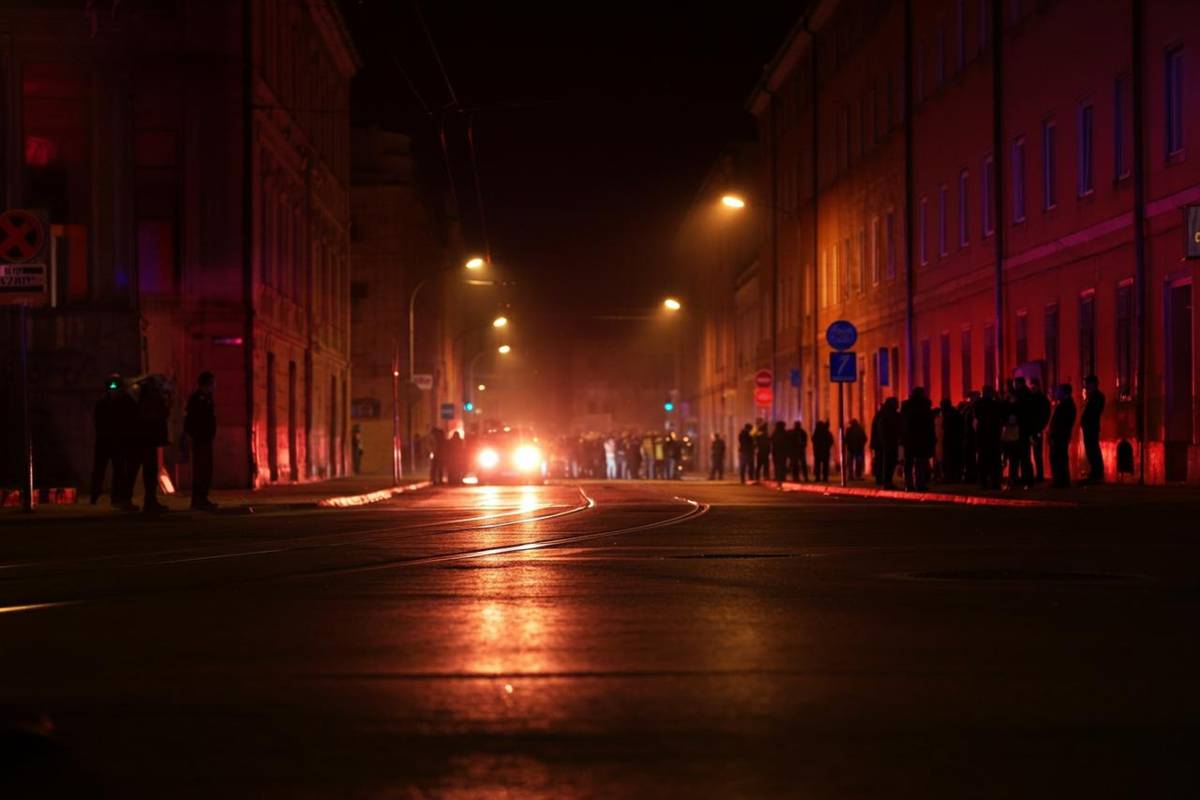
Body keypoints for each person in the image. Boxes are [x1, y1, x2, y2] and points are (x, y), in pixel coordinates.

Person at [90, 373, 138, 509]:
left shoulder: (122, 401)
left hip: (114, 442)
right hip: (108, 441)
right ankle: (95, 496)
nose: (114, 391)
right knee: (103, 470)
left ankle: (113, 497)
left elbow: (132, 420)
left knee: (117, 471)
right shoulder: (114, 402)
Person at [129, 375, 171, 514]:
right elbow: (159, 416)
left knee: (143, 471)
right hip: (147, 439)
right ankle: (148, 501)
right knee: (147, 471)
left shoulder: (145, 398)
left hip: (145, 439)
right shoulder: (151, 398)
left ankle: (146, 500)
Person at [183, 371, 218, 511]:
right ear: (207, 384)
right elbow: (191, 419)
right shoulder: (197, 398)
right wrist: (195, 434)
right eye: (213, 383)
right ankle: (198, 500)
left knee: (207, 470)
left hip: (206, 439)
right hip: (200, 439)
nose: (215, 386)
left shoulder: (208, 398)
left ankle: (203, 498)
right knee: (200, 470)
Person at [900, 388, 935, 491]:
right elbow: (929, 424)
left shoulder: (906, 405)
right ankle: (920, 483)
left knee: (909, 462)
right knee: (920, 461)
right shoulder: (925, 405)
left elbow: (903, 423)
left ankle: (909, 484)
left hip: (909, 438)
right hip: (921, 437)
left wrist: (902, 436)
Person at [973, 386, 1004, 490]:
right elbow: (1002, 414)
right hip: (994, 436)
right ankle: (995, 483)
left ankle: (983, 483)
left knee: (983, 462)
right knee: (995, 462)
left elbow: (976, 416)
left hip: (982, 436)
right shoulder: (996, 405)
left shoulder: (978, 404)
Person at [1048, 383, 1077, 489]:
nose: (1056, 393)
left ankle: (1060, 481)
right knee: (1059, 457)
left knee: (1059, 457)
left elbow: (1061, 422)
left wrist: (1054, 433)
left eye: (1058, 391)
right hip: (1060, 435)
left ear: (1064, 392)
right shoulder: (1066, 404)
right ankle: (1060, 480)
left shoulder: (1066, 405)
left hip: (1060, 436)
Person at [870, 398, 901, 489]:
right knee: (886, 462)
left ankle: (885, 480)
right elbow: (881, 430)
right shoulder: (885, 415)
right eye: (896, 403)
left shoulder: (883, 414)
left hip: (885, 442)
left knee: (887, 461)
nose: (897, 405)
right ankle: (885, 481)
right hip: (885, 443)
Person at [1081, 374, 1105, 483]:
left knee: (1093, 448)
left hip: (1092, 427)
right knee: (1090, 449)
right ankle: (1095, 471)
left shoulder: (1098, 396)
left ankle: (1097, 472)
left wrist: (1086, 421)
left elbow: (1094, 412)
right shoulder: (1091, 396)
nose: (1085, 386)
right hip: (1089, 427)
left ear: (1093, 384)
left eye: (1087, 384)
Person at [1028, 379, 1052, 483]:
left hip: (1036, 429)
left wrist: (1040, 427)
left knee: (1037, 454)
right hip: (1033, 429)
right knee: (1034, 454)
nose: (1032, 389)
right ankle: (1036, 474)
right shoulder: (1036, 399)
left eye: (1034, 387)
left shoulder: (1040, 400)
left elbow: (1045, 415)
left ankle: (1039, 475)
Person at [938, 399, 963, 483]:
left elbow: (946, 427)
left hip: (951, 440)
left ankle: (949, 477)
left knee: (949, 459)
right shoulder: (954, 413)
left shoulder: (949, 414)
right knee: (953, 460)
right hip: (955, 440)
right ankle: (954, 477)